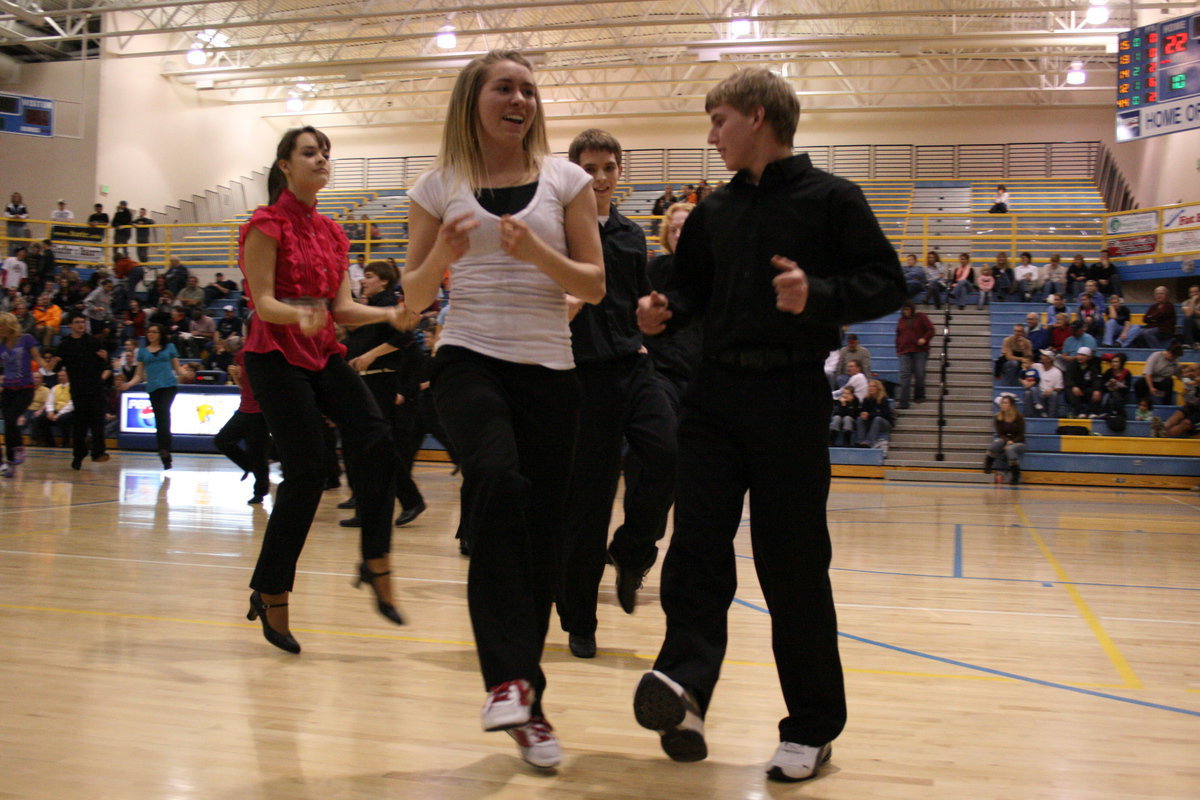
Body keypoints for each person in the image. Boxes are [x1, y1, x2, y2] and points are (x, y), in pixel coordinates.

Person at [634, 67, 905, 782]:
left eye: (718, 119)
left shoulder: (833, 199)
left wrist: (817, 294)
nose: (711, 134)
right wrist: (663, 311)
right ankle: (687, 687)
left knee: (791, 565)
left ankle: (813, 727)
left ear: (757, 117)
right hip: (714, 396)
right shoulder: (715, 210)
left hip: (789, 397)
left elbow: (886, 281)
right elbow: (687, 289)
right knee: (694, 546)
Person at [401, 50, 604, 769]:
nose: (519, 98)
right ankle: (506, 680)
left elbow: (596, 284)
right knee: (496, 479)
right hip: (468, 359)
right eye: (504, 87)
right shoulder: (436, 187)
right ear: (474, 99)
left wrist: (539, 256)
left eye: (527, 89)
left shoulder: (567, 180)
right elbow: (412, 303)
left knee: (542, 536)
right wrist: (440, 258)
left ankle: (526, 704)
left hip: (550, 372)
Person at [239, 125, 418, 656]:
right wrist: (301, 314)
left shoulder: (333, 233)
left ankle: (375, 560)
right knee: (309, 469)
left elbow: (340, 309)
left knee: (376, 440)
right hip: (273, 355)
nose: (321, 159)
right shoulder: (265, 225)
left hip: (320, 352)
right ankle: (272, 588)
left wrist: (392, 314)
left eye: (325, 153)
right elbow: (264, 303)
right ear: (285, 165)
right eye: (309, 152)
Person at [555, 128, 677, 660]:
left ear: (620, 172)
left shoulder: (631, 237)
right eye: (589, 169)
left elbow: (632, 302)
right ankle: (580, 620)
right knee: (588, 504)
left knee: (669, 454)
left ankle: (631, 553)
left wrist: (648, 326)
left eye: (608, 168)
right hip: (581, 379)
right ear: (574, 173)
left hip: (633, 366)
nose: (600, 178)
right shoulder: (556, 232)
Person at [339, 259, 426, 529]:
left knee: (376, 447)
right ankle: (372, 507)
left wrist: (369, 355)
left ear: (384, 280)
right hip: (364, 381)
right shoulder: (371, 306)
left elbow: (405, 338)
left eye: (370, 276)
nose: (364, 280)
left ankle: (409, 499)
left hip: (380, 381)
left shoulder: (389, 304)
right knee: (365, 449)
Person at [643, 201, 700, 407]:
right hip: (662, 369)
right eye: (672, 230)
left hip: (702, 370)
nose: (677, 236)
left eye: (684, 230)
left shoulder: (715, 271)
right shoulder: (653, 269)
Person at [50, 313, 111, 469]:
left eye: (82, 322)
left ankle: (98, 453)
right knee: (80, 425)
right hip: (78, 390)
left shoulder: (94, 342)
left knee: (98, 422)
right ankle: (78, 455)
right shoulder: (65, 345)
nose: (80, 325)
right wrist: (54, 362)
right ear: (70, 325)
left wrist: (106, 359)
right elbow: (56, 367)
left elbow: (105, 365)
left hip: (96, 388)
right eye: (77, 322)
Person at [214, 342, 272, 504]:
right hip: (244, 409)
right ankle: (249, 465)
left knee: (258, 453)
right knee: (222, 440)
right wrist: (235, 376)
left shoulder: (264, 356)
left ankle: (259, 492)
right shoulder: (241, 356)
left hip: (260, 411)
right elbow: (243, 386)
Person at [118, 323, 180, 468]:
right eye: (149, 332)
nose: (151, 334)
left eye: (154, 332)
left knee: (164, 413)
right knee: (159, 418)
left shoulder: (170, 347)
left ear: (160, 334)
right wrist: (129, 384)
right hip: (153, 388)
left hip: (169, 386)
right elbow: (139, 375)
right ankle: (164, 452)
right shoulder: (143, 352)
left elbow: (177, 368)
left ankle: (164, 448)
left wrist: (186, 373)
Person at [0, 311, 45, 477]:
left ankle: (19, 448)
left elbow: (37, 358)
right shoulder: (1, 344)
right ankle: (10, 463)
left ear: (9, 325)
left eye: (2, 326)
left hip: (25, 388)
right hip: (8, 389)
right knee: (9, 424)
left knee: (12, 418)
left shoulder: (26, 339)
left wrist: (47, 366)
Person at [894, 299, 932, 408]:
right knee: (905, 376)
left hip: (920, 350)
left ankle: (919, 395)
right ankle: (903, 402)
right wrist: (898, 349)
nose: (905, 311)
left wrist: (924, 339)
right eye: (904, 310)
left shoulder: (921, 317)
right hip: (904, 351)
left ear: (912, 309)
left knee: (919, 373)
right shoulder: (901, 321)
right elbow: (898, 335)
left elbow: (931, 330)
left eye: (907, 309)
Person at [985, 394, 1025, 483]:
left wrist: (1012, 442)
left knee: (1010, 449)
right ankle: (988, 463)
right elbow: (1000, 433)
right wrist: (1007, 441)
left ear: (1011, 405)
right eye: (1002, 403)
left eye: (1006, 403)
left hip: (1019, 442)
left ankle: (1015, 474)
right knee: (997, 443)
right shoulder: (998, 417)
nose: (1003, 405)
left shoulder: (1019, 417)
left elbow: (1021, 434)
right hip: (1006, 440)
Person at [1134, 341, 1184, 406]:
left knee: (1169, 381)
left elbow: (1178, 375)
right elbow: (1147, 373)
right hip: (1151, 380)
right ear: (1170, 353)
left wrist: (1185, 379)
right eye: (1174, 356)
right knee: (1139, 383)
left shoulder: (1175, 361)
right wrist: (1151, 387)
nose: (1175, 358)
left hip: (1163, 382)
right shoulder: (1156, 356)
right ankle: (1142, 403)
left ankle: (1166, 405)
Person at [1063, 346, 1103, 418]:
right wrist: (1074, 386)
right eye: (1079, 355)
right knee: (1070, 391)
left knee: (1097, 391)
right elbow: (1068, 379)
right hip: (1076, 389)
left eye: (1083, 355)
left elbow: (1096, 379)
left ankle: (1092, 412)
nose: (1080, 357)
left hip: (1087, 389)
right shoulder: (1072, 365)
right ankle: (1080, 412)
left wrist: (1097, 390)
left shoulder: (1093, 365)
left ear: (1088, 357)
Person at [854, 379, 893, 449]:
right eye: (870, 386)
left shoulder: (883, 399)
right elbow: (862, 411)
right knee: (859, 419)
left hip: (884, 423)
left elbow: (885, 414)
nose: (871, 388)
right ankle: (861, 441)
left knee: (877, 419)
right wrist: (863, 414)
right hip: (871, 421)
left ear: (878, 388)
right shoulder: (866, 399)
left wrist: (870, 415)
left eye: (873, 386)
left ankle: (869, 442)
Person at [1029, 350, 1063, 418]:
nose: (1041, 357)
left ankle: (1051, 417)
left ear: (1049, 359)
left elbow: (1060, 388)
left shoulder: (1057, 372)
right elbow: (1026, 365)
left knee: (1054, 394)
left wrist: (1051, 390)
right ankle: (1038, 406)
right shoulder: (1036, 366)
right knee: (1033, 389)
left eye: (1044, 356)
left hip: (1049, 393)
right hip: (1038, 392)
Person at [1182, 284, 1200, 349]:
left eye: (1196, 292)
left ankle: (1189, 343)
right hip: (1192, 331)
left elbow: (1191, 312)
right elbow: (1189, 314)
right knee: (1187, 319)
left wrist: (1192, 310)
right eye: (1192, 292)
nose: (1194, 294)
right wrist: (1193, 301)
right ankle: (1191, 344)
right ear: (1189, 294)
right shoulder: (1185, 303)